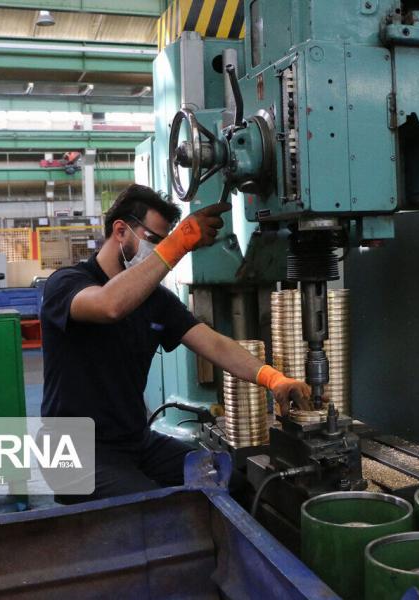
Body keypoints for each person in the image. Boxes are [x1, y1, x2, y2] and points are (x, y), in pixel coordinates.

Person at [40, 184, 311, 502]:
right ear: (121, 231)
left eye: (165, 241)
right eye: (155, 240)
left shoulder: (156, 301)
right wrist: (178, 243)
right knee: (156, 511)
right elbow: (110, 305)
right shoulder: (66, 284)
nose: (159, 250)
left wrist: (273, 378)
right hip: (71, 449)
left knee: (231, 483)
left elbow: (215, 345)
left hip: (133, 441)